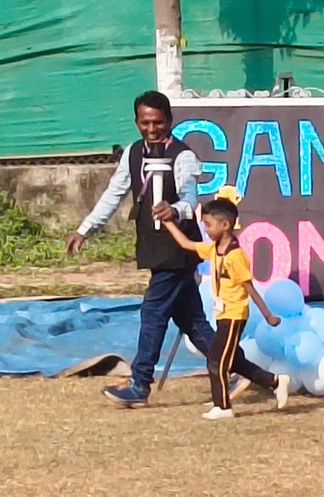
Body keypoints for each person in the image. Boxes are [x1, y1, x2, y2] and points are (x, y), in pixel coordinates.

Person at [66, 91, 217, 408]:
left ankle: (140, 384)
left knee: (153, 313)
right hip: (152, 245)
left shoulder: (183, 156)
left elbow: (191, 199)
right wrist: (84, 230)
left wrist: (174, 210)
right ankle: (245, 371)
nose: (151, 129)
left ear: (169, 121)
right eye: (145, 122)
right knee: (191, 321)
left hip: (177, 248)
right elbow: (114, 194)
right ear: (136, 122)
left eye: (158, 122)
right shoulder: (133, 153)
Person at [160, 196, 292, 420]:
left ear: (225, 224)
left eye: (209, 225)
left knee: (217, 361)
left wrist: (268, 315)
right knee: (234, 361)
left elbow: (249, 287)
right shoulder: (214, 249)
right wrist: (168, 222)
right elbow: (186, 244)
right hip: (222, 314)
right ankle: (275, 381)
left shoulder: (235, 256)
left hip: (234, 314)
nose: (206, 229)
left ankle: (223, 406)